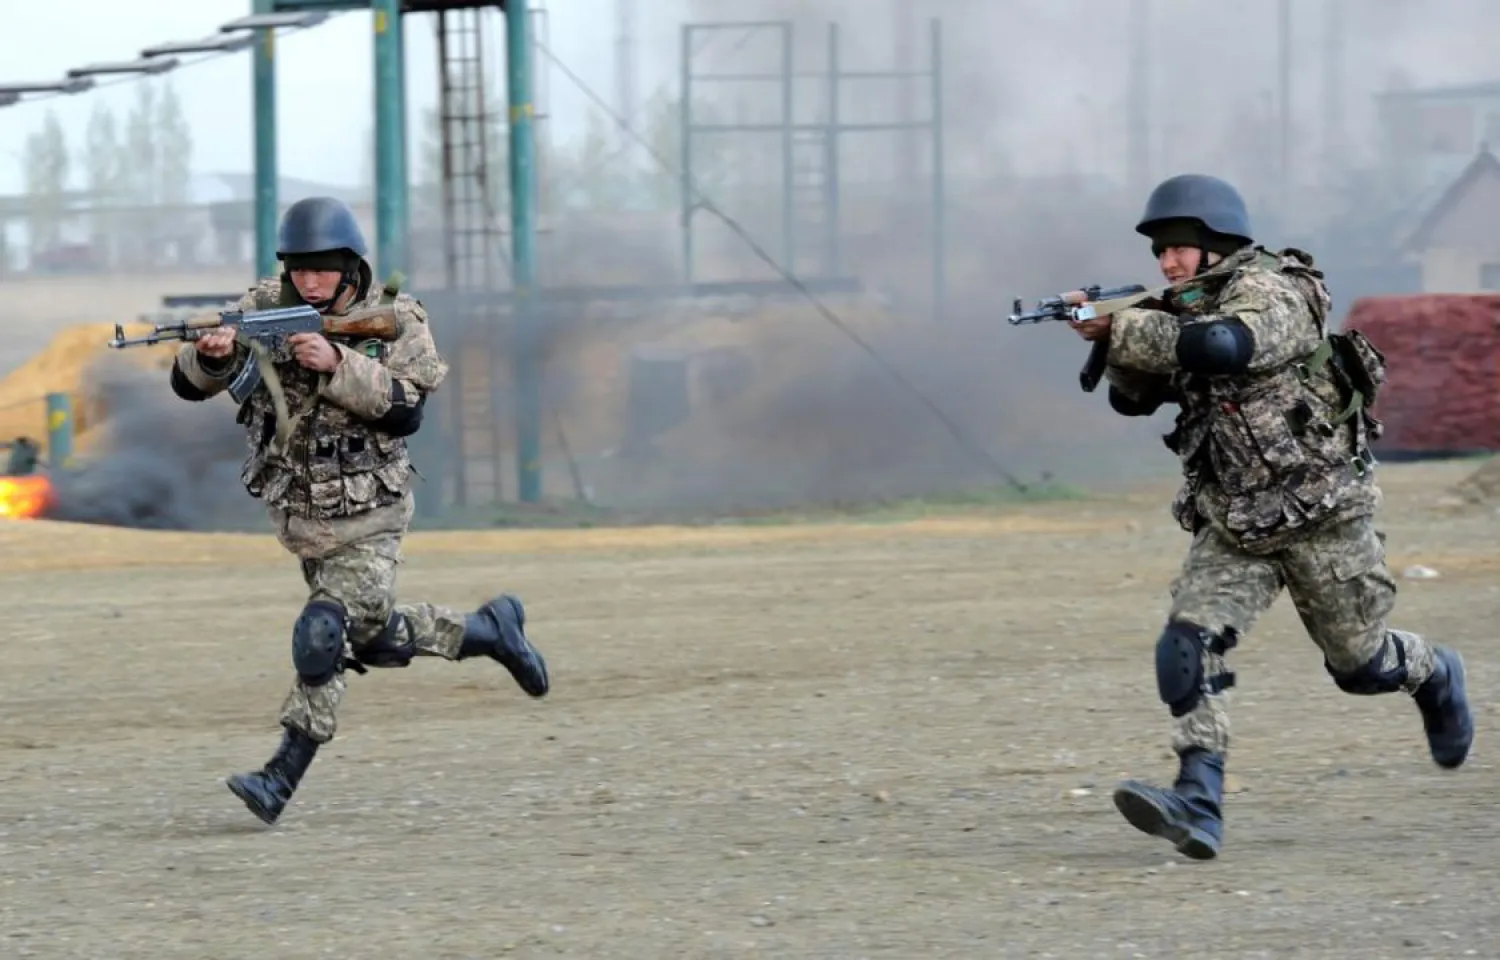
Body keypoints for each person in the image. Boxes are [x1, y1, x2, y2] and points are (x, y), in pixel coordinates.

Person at [1074, 174, 1474, 861]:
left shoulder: (1275, 288)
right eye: (1160, 254)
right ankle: (1198, 799)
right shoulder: (1175, 309)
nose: (1167, 263)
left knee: (1361, 665)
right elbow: (1133, 403)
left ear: (1215, 242)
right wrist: (1110, 344)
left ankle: (1435, 674)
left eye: (1178, 248)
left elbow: (1230, 346)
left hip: (1323, 517)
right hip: (1236, 525)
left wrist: (1134, 326)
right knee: (1186, 646)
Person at [168, 196, 550, 826]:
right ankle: (491, 630)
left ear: (351, 266)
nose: (309, 281)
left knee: (321, 634)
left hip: (372, 515)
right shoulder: (264, 307)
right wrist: (208, 358)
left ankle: (280, 775)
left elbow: (407, 410)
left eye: (323, 269)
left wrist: (338, 364)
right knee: (371, 637)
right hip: (303, 518)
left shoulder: (396, 318)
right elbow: (191, 384)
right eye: (299, 269)